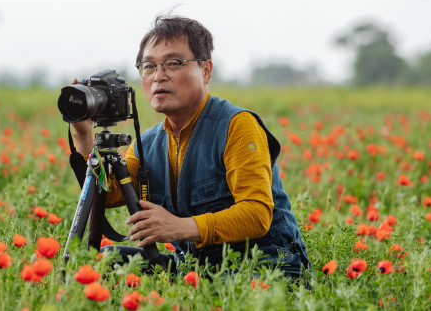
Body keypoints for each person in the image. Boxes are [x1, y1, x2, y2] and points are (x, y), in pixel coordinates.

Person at [70, 15, 311, 278]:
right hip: (196, 267)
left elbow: (256, 214)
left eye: (173, 64)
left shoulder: (236, 125)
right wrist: (83, 136)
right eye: (148, 66)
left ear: (206, 70)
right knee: (110, 259)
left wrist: (180, 227)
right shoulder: (147, 144)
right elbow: (107, 195)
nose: (158, 76)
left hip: (266, 266)